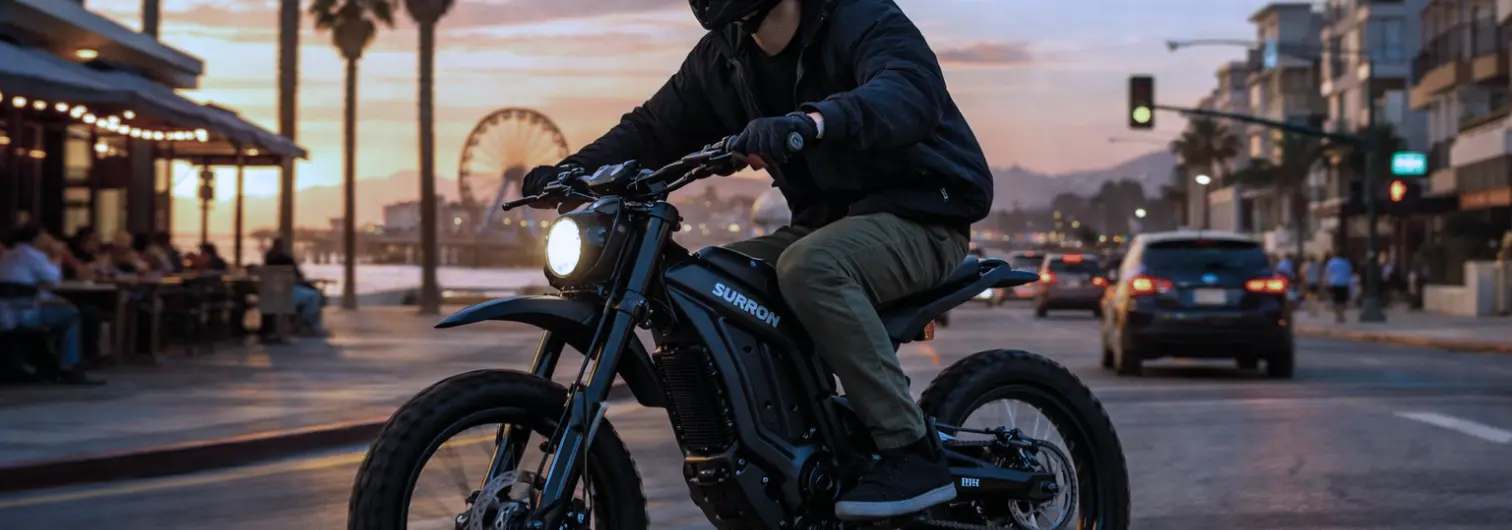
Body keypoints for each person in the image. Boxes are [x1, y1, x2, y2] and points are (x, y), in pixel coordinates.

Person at [520, 0, 992, 519]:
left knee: (811, 269)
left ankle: (909, 450)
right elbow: (653, 129)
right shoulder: (725, 56)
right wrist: (570, 172)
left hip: (923, 214)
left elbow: (908, 92)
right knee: (702, 284)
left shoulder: (860, 16)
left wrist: (812, 122)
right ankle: (792, 440)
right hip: (825, 225)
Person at [0, 223, 103, 384]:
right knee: (71, 314)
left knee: (61, 310)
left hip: (5, 313)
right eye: (44, 236)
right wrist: (56, 256)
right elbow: (53, 279)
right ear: (36, 239)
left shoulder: (8, 255)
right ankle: (69, 366)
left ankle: (39, 362)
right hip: (25, 313)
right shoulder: (34, 256)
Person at [263, 238, 324, 335]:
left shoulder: (268, 259)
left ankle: (298, 324)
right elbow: (299, 276)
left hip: (272, 295)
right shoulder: (287, 259)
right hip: (288, 294)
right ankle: (304, 323)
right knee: (314, 295)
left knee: (309, 294)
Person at [1324, 251, 1353, 324]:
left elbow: (1328, 273)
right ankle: (1342, 316)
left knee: (1336, 300)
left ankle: (1337, 316)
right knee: (1342, 300)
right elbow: (1349, 272)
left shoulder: (1331, 262)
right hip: (1344, 282)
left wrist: (1327, 282)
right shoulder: (1346, 262)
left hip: (1334, 282)